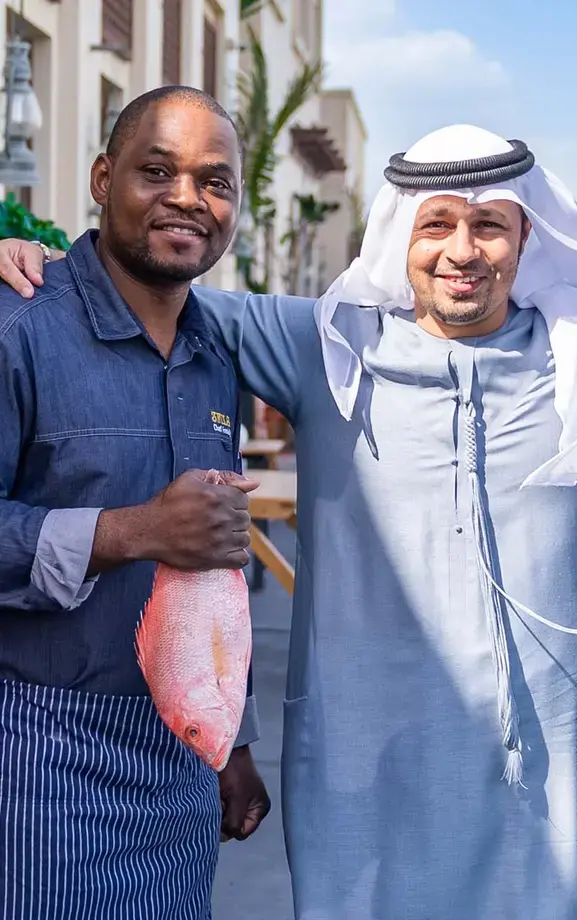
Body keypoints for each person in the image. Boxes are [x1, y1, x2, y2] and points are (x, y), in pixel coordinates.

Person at [0, 123, 577, 920]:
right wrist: (31, 259)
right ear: (401, 236)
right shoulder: (320, 342)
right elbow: (149, 285)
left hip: (549, 777)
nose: (463, 250)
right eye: (436, 224)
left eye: (490, 226)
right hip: (368, 770)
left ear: (526, 238)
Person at [0, 85, 270, 919]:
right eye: (158, 171)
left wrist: (235, 739)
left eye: (215, 182)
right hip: (35, 760)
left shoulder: (215, 355)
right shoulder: (19, 325)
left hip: (182, 764)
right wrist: (131, 531)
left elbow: (211, 575)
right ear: (101, 177)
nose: (188, 198)